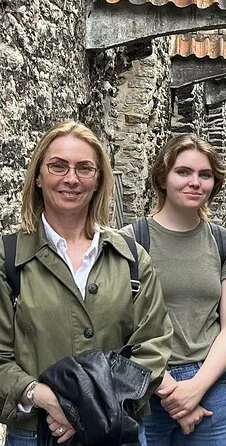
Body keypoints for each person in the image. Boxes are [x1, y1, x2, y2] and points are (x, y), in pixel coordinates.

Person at [0, 121, 173, 445]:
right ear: (38, 176)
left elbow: (154, 344)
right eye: (58, 166)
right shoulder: (8, 259)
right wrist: (44, 397)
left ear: (98, 180)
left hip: (116, 431)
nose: (71, 178)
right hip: (36, 433)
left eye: (84, 168)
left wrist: (90, 409)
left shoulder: (131, 258)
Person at [121, 134, 226, 445]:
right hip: (144, 383)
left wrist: (196, 387)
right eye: (183, 172)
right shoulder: (130, 241)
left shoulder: (223, 242)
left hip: (212, 383)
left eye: (205, 175)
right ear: (162, 178)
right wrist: (169, 390)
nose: (195, 182)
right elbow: (117, 324)